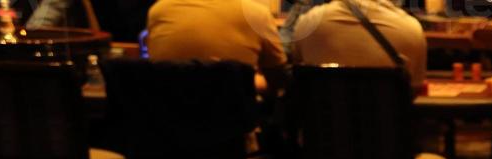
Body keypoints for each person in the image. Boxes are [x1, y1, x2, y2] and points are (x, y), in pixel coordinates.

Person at [282, 0, 427, 84]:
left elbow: (293, 71)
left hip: (321, 132)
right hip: (388, 133)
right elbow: (413, 91)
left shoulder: (308, 22)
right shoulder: (411, 28)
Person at [145, 0, 286, 84]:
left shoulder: (158, 11)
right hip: (232, 128)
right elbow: (277, 78)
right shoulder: (256, 14)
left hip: (167, 127)